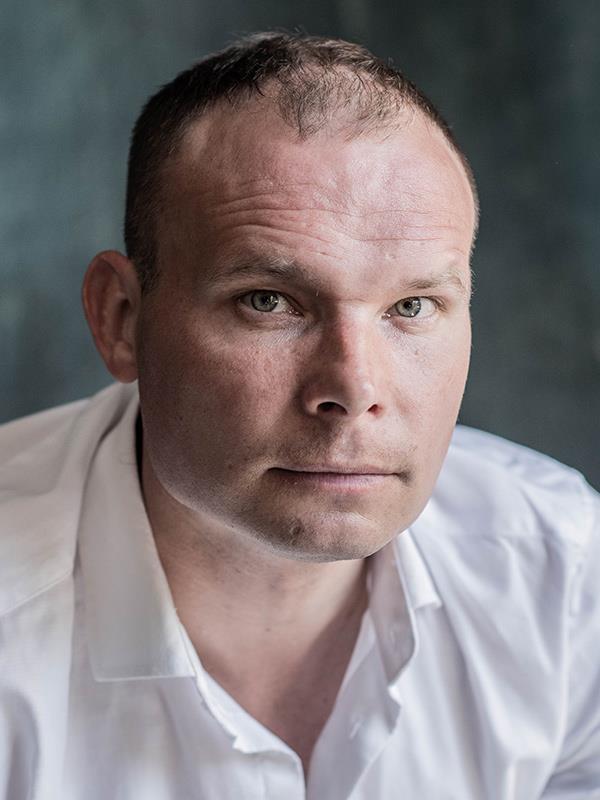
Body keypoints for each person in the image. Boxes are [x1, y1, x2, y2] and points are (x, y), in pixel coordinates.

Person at [0, 32, 598, 800]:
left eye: (413, 306)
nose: (353, 387)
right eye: (269, 301)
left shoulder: (562, 580)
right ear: (121, 318)